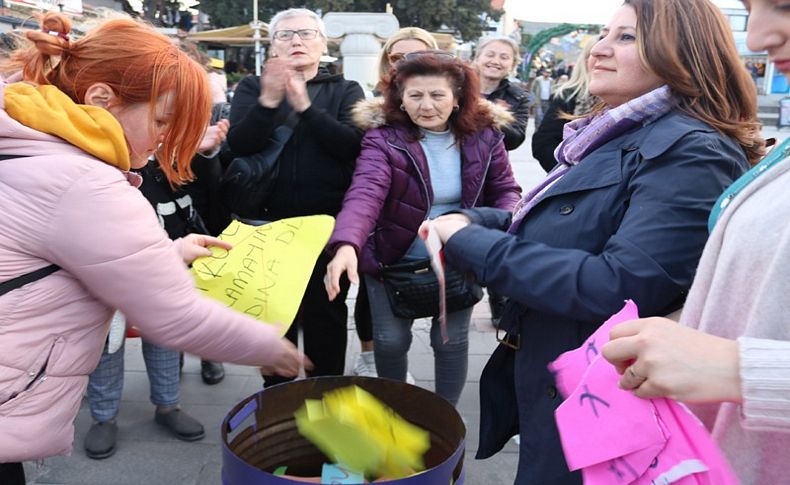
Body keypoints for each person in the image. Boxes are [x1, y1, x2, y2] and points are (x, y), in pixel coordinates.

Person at [426, 0, 762, 482]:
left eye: (625, 38)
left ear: (682, 52)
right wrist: (479, 221)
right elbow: (567, 223)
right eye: (603, 35)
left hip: (604, 405)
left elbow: (620, 284)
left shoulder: (692, 150)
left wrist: (471, 245)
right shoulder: (614, 131)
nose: (598, 49)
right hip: (562, 386)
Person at [0, 14, 306, 485]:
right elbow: (177, 317)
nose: (167, 137)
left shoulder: (26, 136)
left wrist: (169, 251)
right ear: (102, 98)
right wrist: (272, 347)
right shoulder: (83, 181)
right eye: (163, 119)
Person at [601, 0, 790, 482]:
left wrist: (738, 368)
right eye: (753, 9)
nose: (758, 37)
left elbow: (621, 273)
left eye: (785, 7)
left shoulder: (692, 146)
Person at [324, 52, 522, 406]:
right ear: (400, 97)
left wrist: (487, 225)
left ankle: (444, 417)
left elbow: (507, 191)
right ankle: (392, 413)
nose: (426, 106)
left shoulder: (485, 136)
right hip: (391, 253)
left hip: (458, 253)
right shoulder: (383, 139)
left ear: (458, 97)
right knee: (390, 341)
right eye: (415, 95)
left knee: (451, 340)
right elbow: (365, 193)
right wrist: (346, 245)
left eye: (437, 95)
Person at [226, 8, 364, 386]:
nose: (296, 41)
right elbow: (238, 146)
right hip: (266, 227)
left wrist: (304, 106)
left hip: (325, 229)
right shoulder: (254, 88)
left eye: (306, 33)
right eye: (285, 35)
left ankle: (327, 403)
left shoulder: (344, 89)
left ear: (323, 44)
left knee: (328, 323)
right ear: (272, 47)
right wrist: (270, 102)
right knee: (275, 326)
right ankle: (277, 410)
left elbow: (351, 146)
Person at [83, 122, 231, 460]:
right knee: (108, 343)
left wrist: (203, 151)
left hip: (167, 264)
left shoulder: (169, 154)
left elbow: (204, 190)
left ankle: (168, 405)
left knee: (164, 339)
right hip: (107, 266)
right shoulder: (97, 148)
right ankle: (103, 416)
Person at [351, 27, 439, 380]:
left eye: (416, 55)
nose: (406, 62)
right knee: (372, 287)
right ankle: (371, 357)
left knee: (430, 286)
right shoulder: (372, 105)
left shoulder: (448, 97)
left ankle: (396, 359)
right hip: (381, 210)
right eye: (397, 57)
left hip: (433, 213)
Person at [472, 35, 531, 326]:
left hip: (493, 174)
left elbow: (515, 137)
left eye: (504, 57)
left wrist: (480, 111)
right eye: (491, 54)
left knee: (498, 236)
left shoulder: (518, 96)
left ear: (512, 64)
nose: (496, 60)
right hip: (456, 169)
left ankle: (499, 301)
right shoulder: (457, 83)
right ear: (478, 56)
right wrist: (494, 116)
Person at [531, 42, 597, 172]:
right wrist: (571, 174)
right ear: (585, 61)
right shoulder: (568, 96)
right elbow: (543, 143)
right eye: (595, 54)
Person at [375, 27, 438, 95]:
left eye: (416, 58)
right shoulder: (371, 100)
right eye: (397, 58)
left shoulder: (448, 100)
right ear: (387, 60)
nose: (406, 64)